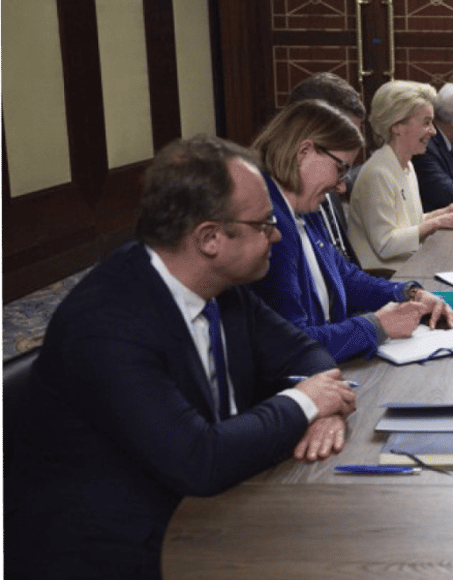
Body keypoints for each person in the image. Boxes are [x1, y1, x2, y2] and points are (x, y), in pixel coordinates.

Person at [8, 135, 356, 579]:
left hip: (203, 506)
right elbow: (200, 460)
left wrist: (325, 411)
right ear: (210, 238)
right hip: (108, 551)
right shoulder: (106, 325)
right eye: (264, 223)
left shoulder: (220, 283)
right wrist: (307, 402)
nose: (278, 234)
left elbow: (304, 351)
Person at [250, 100, 453, 362]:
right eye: (340, 169)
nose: (341, 187)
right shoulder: (269, 227)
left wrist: (409, 294)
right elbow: (293, 345)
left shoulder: (305, 209)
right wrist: (376, 326)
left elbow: (345, 276)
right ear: (304, 152)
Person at [347, 80, 453, 271]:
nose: (433, 131)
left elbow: (408, 224)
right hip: (388, 276)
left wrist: (442, 213)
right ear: (397, 126)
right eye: (426, 123)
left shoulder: (406, 164)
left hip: (411, 266)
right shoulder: (377, 173)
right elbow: (386, 244)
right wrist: (437, 223)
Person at [288, 72, 367, 263]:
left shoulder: (324, 184)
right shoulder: (274, 206)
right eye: (345, 135)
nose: (342, 187)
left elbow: (343, 267)